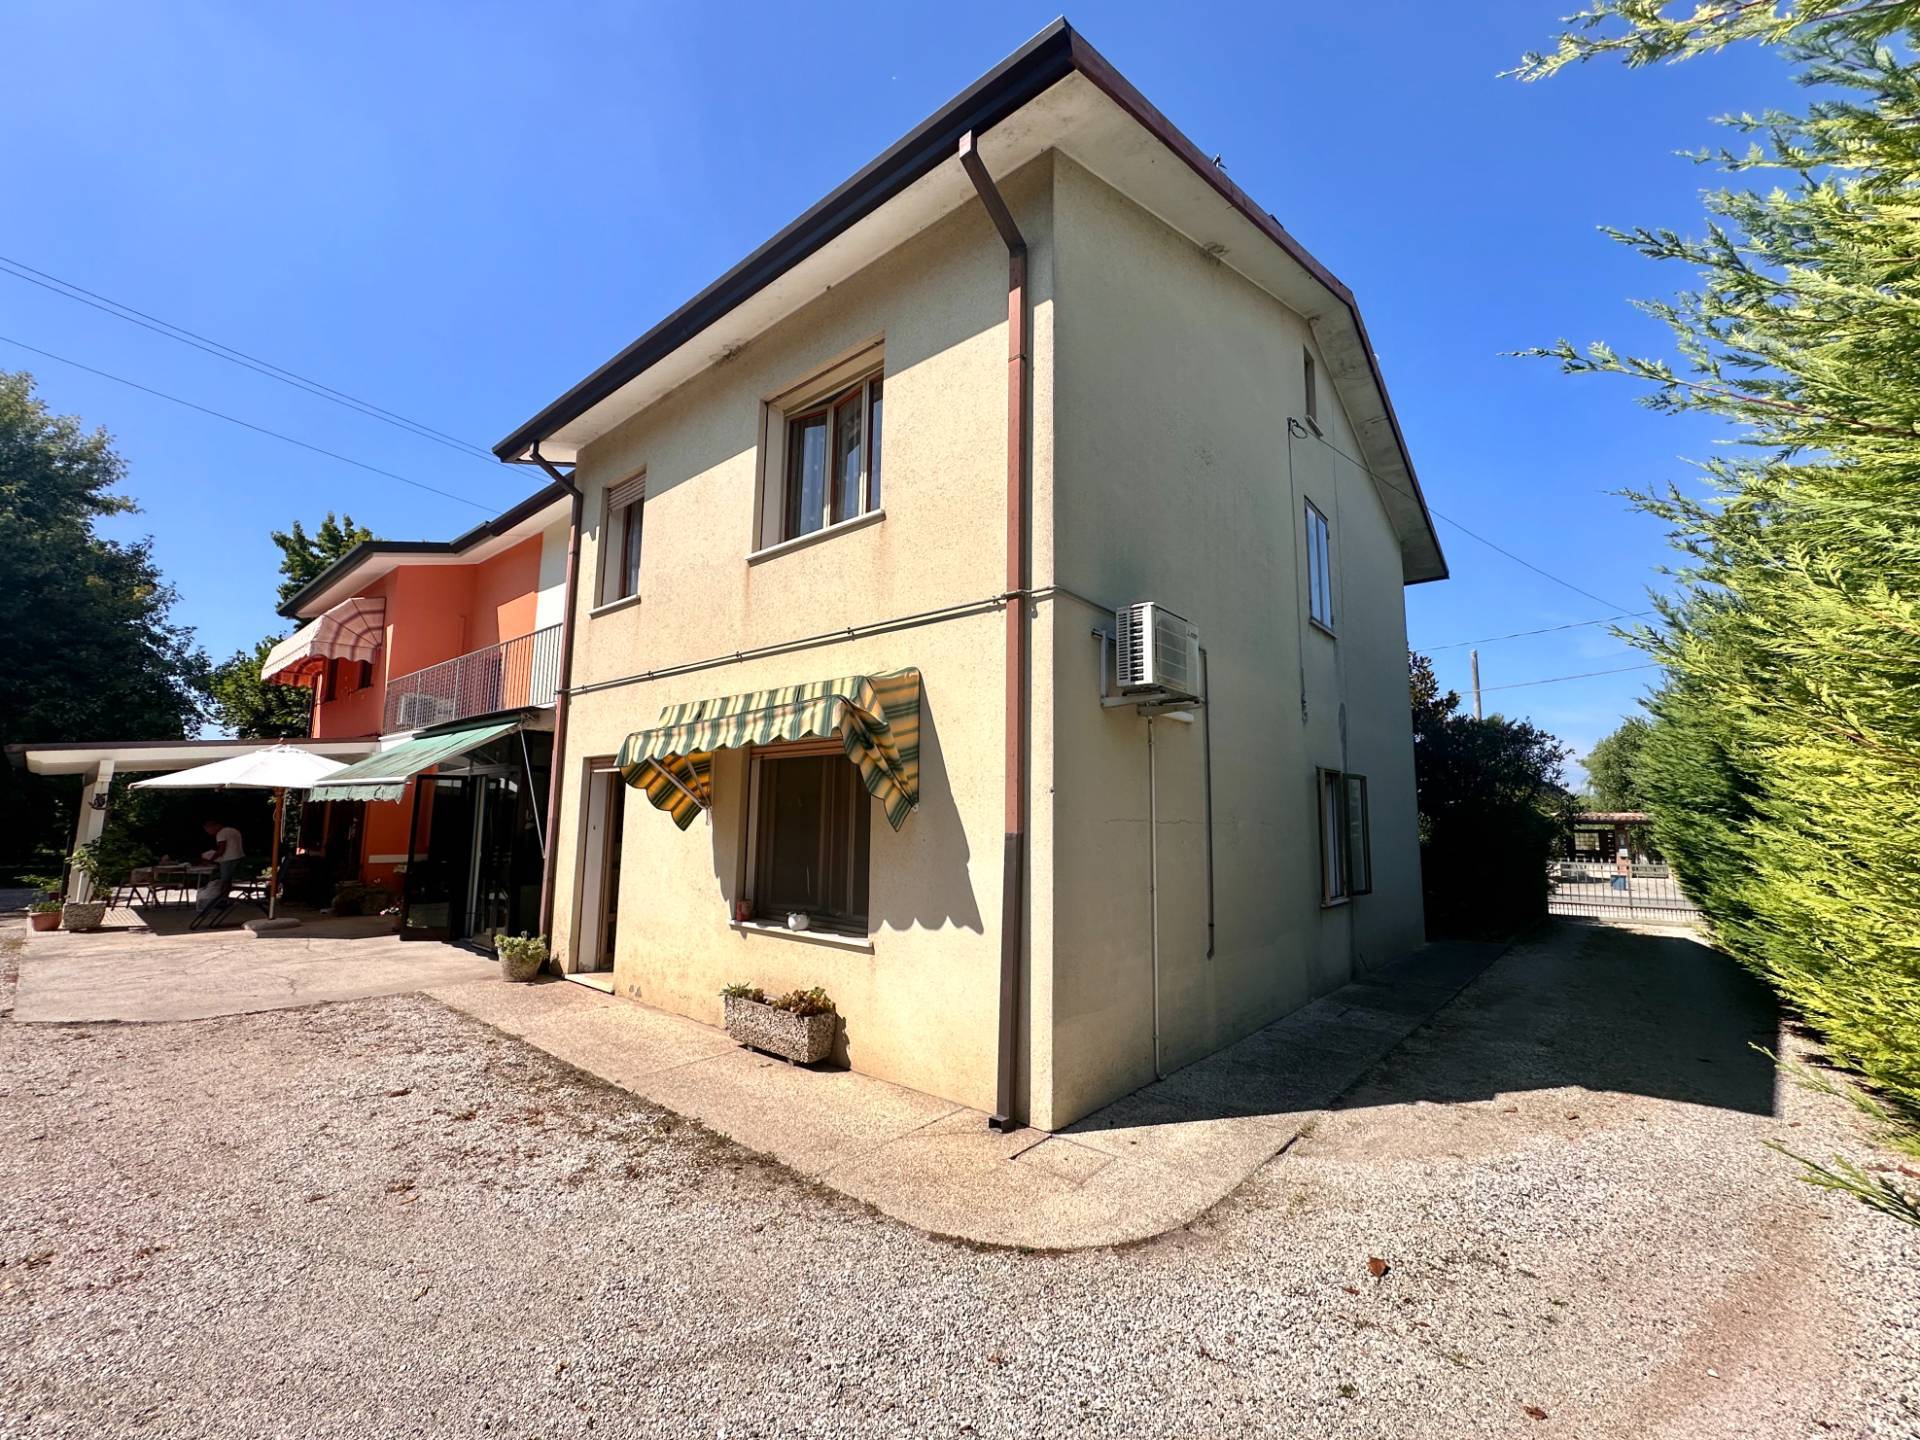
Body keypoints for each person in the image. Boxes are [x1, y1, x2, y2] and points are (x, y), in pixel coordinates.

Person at [198, 819, 244, 910]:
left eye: (208, 830)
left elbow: (221, 850)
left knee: (225, 881)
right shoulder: (233, 830)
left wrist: (210, 860)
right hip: (239, 857)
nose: (208, 832)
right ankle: (225, 899)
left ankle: (222, 901)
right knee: (228, 880)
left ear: (212, 826)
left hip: (229, 859)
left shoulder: (221, 833)